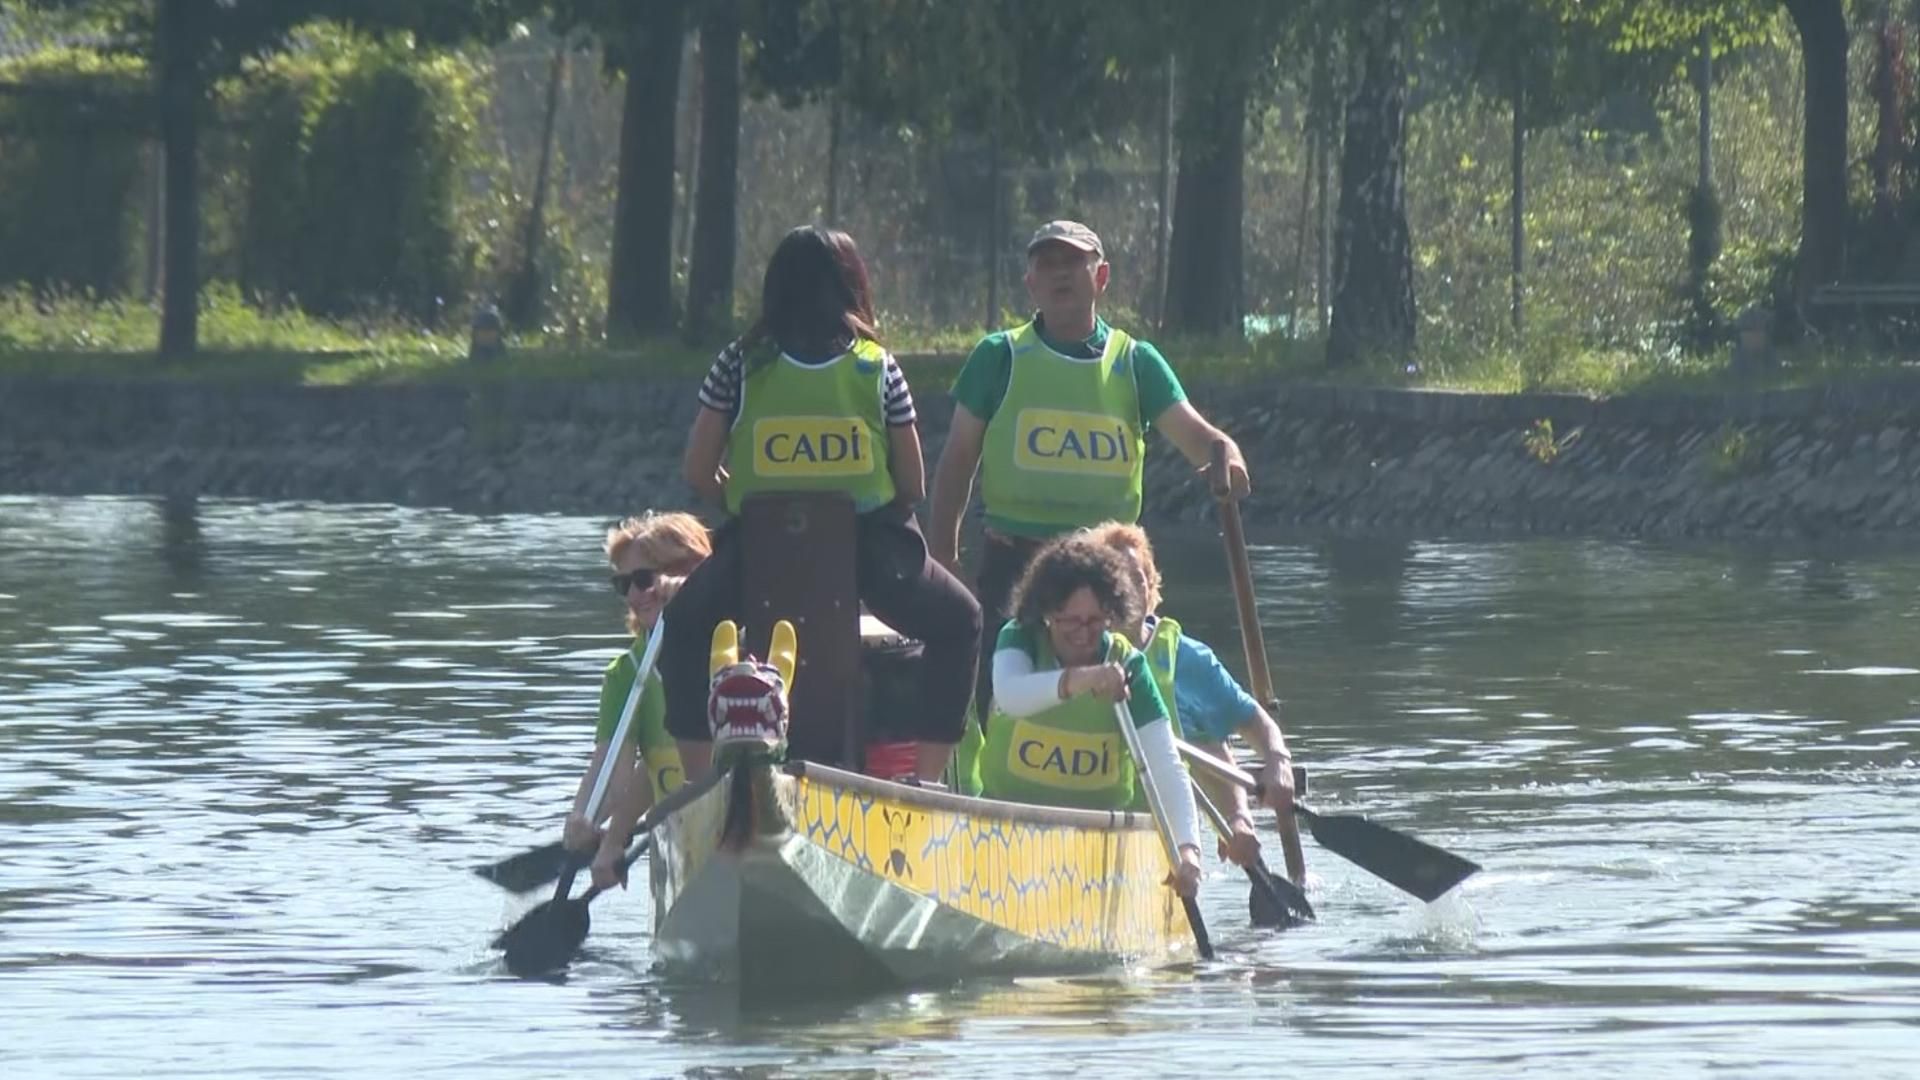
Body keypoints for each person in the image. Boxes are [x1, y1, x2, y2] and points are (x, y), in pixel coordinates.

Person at [661, 225, 983, 783]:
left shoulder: (737, 362)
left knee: (683, 627)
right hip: (874, 550)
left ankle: (699, 783)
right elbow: (912, 483)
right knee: (962, 622)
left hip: (760, 546)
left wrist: (742, 501)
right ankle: (927, 779)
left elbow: (697, 471)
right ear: (853, 288)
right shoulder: (878, 365)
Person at [927, 220, 1254, 725]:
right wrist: (944, 557)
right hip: (1015, 563)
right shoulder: (997, 357)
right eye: (1047, 265)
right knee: (997, 701)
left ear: (1101, 277)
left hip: (1108, 570)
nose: (1060, 274)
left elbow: (1202, 439)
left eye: (1073, 263)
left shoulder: (1137, 362)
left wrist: (1228, 457)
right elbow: (956, 462)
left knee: (1117, 705)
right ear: (1030, 283)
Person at [979, 534, 1203, 898]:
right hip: (1006, 831)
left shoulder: (1128, 665)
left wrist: (1188, 851)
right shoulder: (1019, 639)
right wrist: (1085, 679)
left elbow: (1166, 765)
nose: (1084, 635)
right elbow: (1011, 695)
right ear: (1047, 614)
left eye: (1095, 621)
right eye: (1070, 622)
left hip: (1098, 847)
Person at [1087, 522, 1297, 870]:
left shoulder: (1187, 659)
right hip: (1088, 821)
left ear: (1151, 587)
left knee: (1199, 734)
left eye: (1138, 579)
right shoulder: (1073, 648)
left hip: (1161, 837)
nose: (1129, 590)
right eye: (1116, 580)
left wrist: (1277, 762)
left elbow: (1250, 722)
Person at [562, 511, 712, 891]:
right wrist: (583, 819)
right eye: (623, 584)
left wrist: (617, 835)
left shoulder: (739, 647)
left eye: (644, 580)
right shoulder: (626, 674)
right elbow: (612, 773)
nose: (633, 595)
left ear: (688, 571)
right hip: (682, 847)